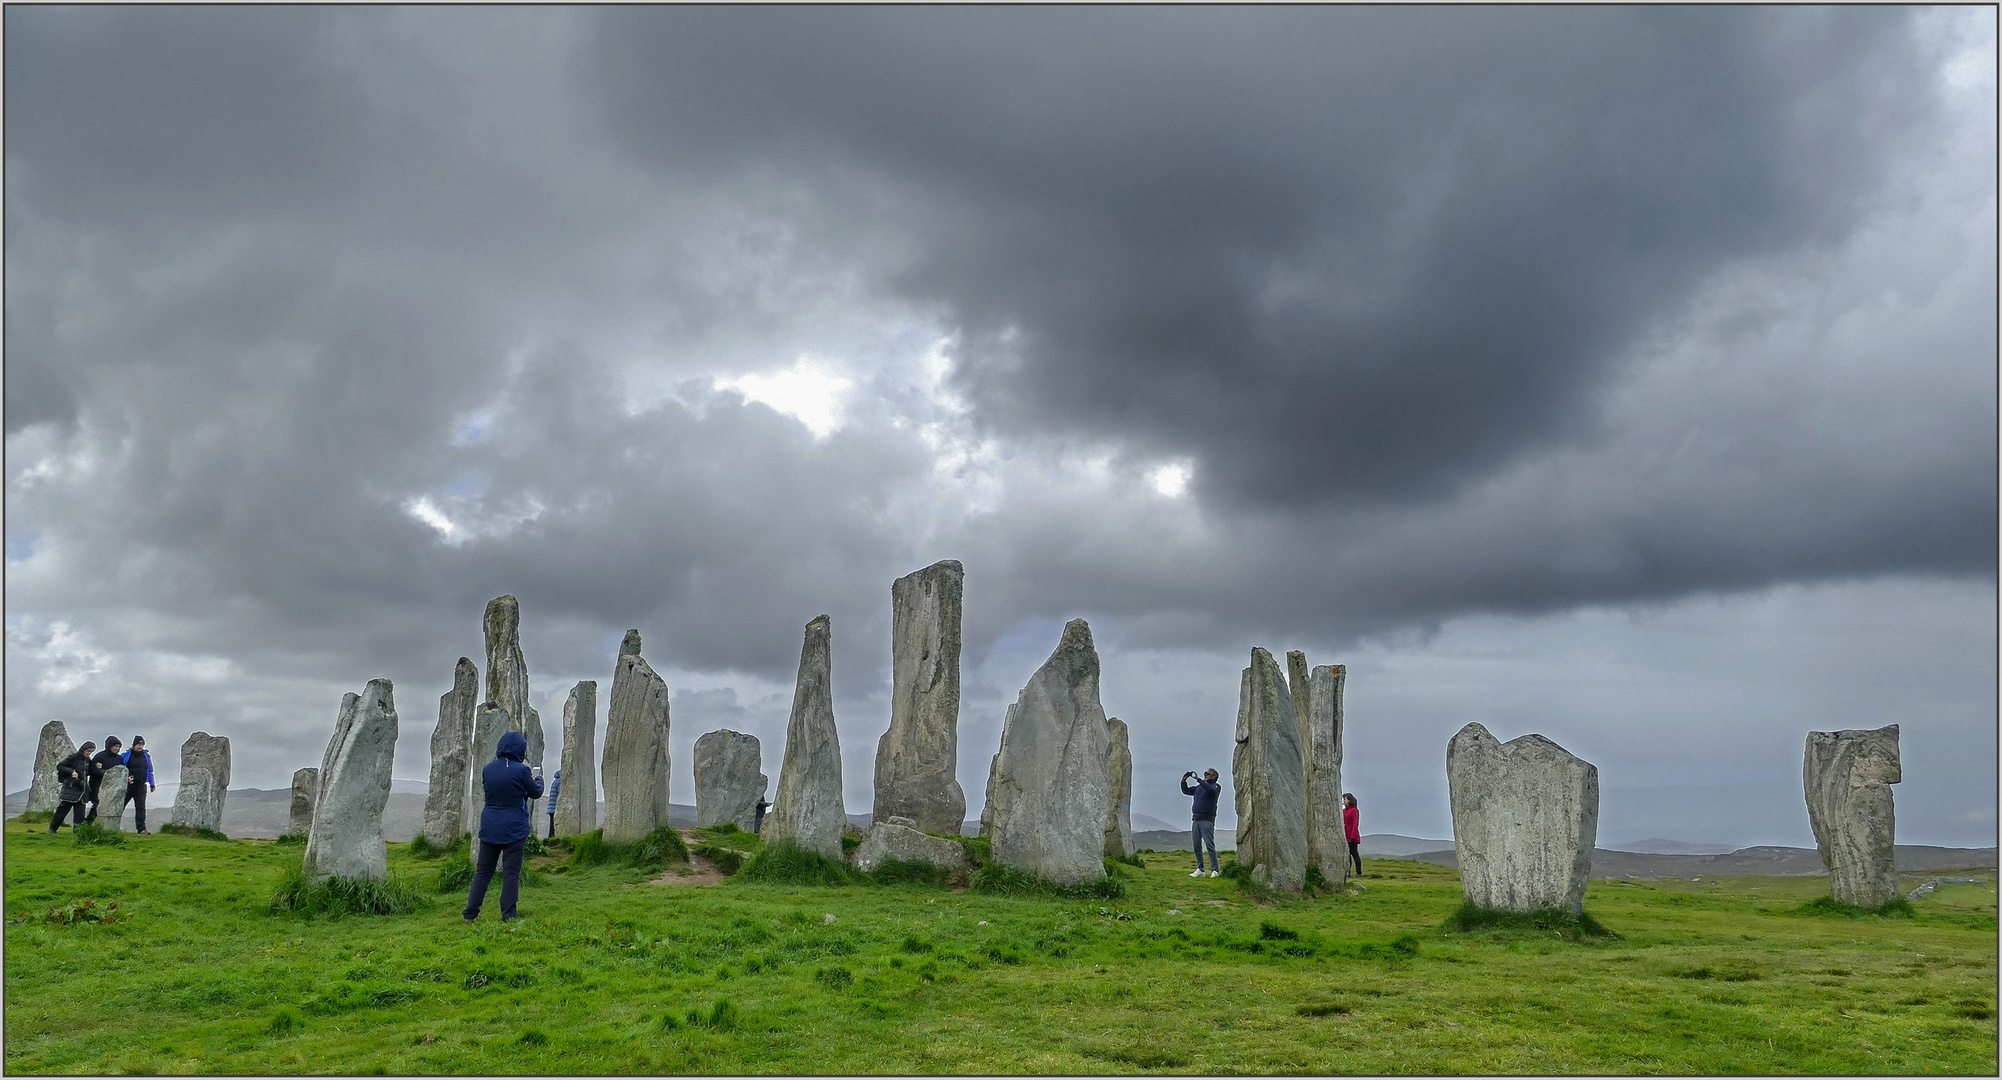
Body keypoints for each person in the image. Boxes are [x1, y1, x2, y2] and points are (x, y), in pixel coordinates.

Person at [463, 730, 543, 923]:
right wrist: (538, 779)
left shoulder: (488, 769)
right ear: (520, 750)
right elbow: (535, 793)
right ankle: (508, 914)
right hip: (514, 826)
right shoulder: (522, 770)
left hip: (490, 824)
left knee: (483, 872)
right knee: (511, 873)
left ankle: (470, 914)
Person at [1181, 768, 1223, 878]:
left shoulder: (1216, 787)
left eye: (1207, 774)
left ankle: (1215, 870)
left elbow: (1210, 791)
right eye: (1205, 773)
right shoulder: (1199, 787)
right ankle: (1200, 869)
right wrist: (1183, 781)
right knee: (1196, 845)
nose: (1205, 775)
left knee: (1209, 845)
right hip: (1196, 819)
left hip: (1207, 819)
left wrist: (1199, 779)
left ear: (1214, 776)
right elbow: (1186, 791)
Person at [50, 742, 95, 833]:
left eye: (91, 752)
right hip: (71, 788)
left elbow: (90, 771)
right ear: (83, 749)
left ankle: (77, 832)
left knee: (80, 813)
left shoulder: (87, 760)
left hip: (81, 789)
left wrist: (98, 767)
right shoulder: (74, 757)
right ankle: (53, 828)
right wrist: (71, 772)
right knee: (62, 810)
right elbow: (60, 766)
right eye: (88, 751)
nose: (89, 753)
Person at [85, 737, 124, 823]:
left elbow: (121, 771)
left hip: (111, 786)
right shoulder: (100, 756)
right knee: (97, 805)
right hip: (97, 785)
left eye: (118, 746)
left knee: (107, 806)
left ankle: (99, 825)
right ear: (109, 746)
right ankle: (88, 823)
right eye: (115, 746)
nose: (117, 748)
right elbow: (92, 770)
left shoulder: (119, 759)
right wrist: (105, 772)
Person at [123, 736, 156, 834]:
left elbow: (149, 770)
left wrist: (152, 783)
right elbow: (121, 769)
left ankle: (141, 829)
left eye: (142, 744)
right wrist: (126, 778)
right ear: (134, 745)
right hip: (128, 786)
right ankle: (111, 826)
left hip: (141, 785)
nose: (140, 747)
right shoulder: (126, 755)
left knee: (141, 808)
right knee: (120, 806)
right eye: (138, 744)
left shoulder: (146, 756)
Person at [1342, 792, 1362, 877]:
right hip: (1345, 835)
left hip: (1352, 836)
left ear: (1349, 800)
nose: (1344, 801)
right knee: (1347, 855)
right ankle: (1348, 872)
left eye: (1345, 799)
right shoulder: (1344, 811)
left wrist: (1353, 836)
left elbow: (1355, 823)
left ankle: (1359, 872)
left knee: (1354, 853)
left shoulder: (1354, 810)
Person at [545, 769, 561, 839]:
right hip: (555, 808)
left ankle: (550, 839)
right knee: (554, 826)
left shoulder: (555, 781)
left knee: (552, 825)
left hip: (551, 808)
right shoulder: (560, 781)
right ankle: (552, 839)